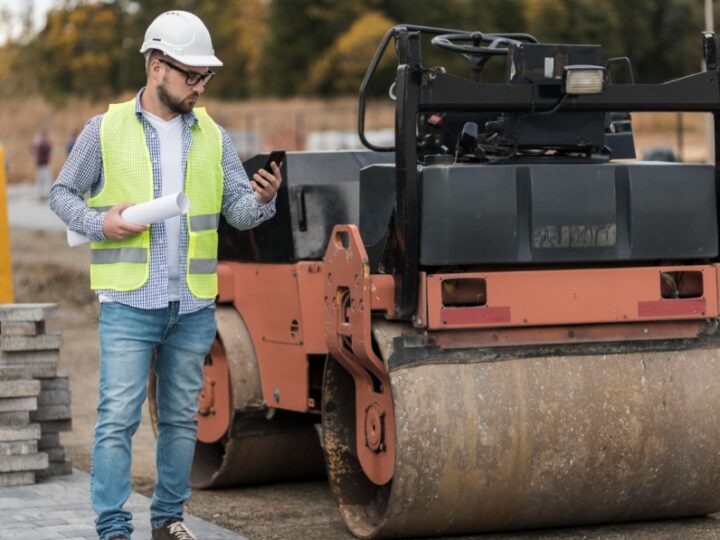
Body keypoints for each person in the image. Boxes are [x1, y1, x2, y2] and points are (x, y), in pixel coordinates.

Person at [49, 10, 283, 540]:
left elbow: (236, 214)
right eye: (191, 75)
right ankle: (112, 528)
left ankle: (169, 520)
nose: (200, 86)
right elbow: (61, 194)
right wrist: (99, 222)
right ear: (157, 67)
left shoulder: (214, 137)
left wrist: (262, 200)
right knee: (117, 420)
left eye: (206, 77)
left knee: (180, 419)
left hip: (193, 303)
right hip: (129, 301)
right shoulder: (103, 129)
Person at [31, 128, 52, 199]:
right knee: (43, 180)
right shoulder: (42, 143)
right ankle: (42, 194)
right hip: (42, 165)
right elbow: (48, 148)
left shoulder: (39, 143)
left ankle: (43, 194)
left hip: (43, 164)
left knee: (44, 180)